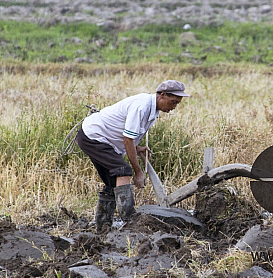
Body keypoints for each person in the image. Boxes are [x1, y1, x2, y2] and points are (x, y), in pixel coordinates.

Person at [75, 80, 190, 231]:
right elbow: (128, 139)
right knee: (123, 170)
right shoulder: (141, 107)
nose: (174, 107)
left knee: (112, 183)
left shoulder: (153, 110)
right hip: (94, 136)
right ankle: (130, 222)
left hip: (102, 139)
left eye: (177, 104)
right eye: (173, 102)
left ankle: (102, 228)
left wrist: (137, 148)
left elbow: (128, 134)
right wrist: (138, 171)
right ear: (162, 95)